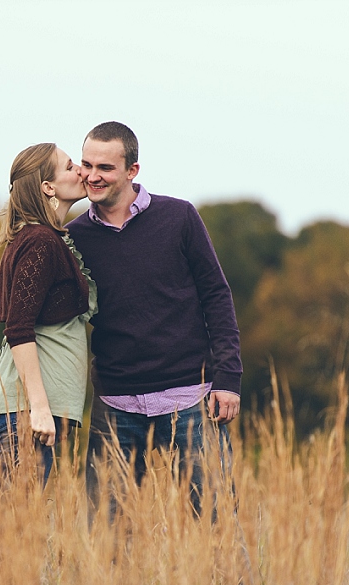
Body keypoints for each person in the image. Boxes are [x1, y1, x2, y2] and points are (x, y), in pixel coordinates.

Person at [65, 121, 242, 518]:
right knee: (105, 531)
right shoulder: (74, 237)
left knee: (216, 525)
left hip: (190, 399)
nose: (93, 175)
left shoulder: (178, 217)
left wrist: (228, 379)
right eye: (86, 164)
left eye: (106, 168)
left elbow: (216, 295)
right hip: (116, 402)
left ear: (132, 171)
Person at [0, 142, 97, 491]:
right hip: (22, 412)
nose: (81, 172)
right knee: (5, 521)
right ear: (48, 187)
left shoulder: (48, 237)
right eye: (72, 166)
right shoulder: (40, 241)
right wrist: (39, 409)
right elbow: (18, 328)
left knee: (6, 522)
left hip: (26, 411)